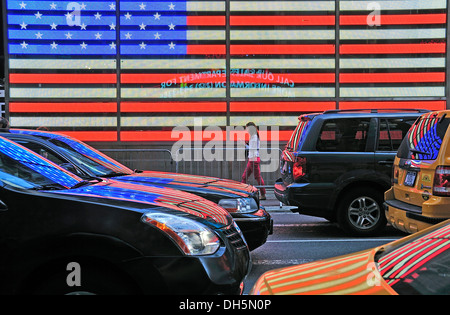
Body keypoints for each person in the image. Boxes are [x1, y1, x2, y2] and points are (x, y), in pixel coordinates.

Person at [241, 122, 266, 200]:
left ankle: (263, 194)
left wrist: (244, 145)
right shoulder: (253, 136)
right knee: (244, 177)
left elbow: (252, 149)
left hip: (253, 159)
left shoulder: (254, 137)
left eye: (247, 128)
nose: (246, 130)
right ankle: (242, 192)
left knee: (257, 177)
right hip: (252, 159)